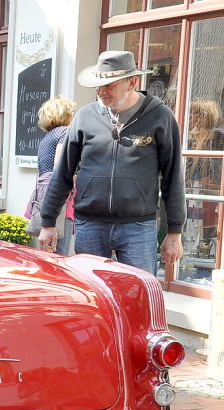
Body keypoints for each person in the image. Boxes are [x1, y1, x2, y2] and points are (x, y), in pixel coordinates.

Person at [39, 50, 186, 275]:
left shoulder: (160, 117)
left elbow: (173, 177)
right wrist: (48, 222)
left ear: (132, 82)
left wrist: (174, 231)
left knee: (138, 296)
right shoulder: (85, 116)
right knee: (92, 296)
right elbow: (63, 173)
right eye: (98, 84)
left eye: (109, 85)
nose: (100, 91)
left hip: (138, 228)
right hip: (90, 226)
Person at [26, 96, 76, 255]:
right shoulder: (65, 132)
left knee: (47, 251)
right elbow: (60, 166)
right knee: (59, 252)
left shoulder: (47, 137)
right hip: (58, 197)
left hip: (42, 195)